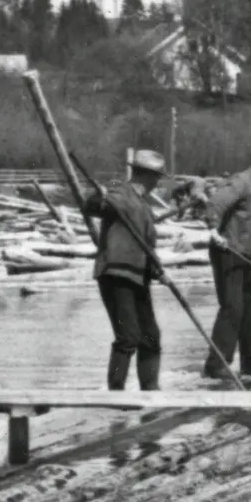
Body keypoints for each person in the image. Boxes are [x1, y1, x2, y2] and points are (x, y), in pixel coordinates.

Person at [83, 149, 168, 391]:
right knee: (128, 336)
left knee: (151, 336)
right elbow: (93, 207)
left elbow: (145, 247)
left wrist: (158, 270)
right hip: (116, 274)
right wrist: (97, 198)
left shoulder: (144, 206)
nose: (158, 182)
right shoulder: (121, 194)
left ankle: (150, 390)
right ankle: (116, 392)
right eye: (157, 177)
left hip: (139, 275)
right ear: (148, 176)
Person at [201, 144, 251, 382]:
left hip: (245, 255)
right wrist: (212, 229)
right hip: (227, 252)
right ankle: (216, 365)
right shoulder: (241, 182)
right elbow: (215, 204)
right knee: (233, 307)